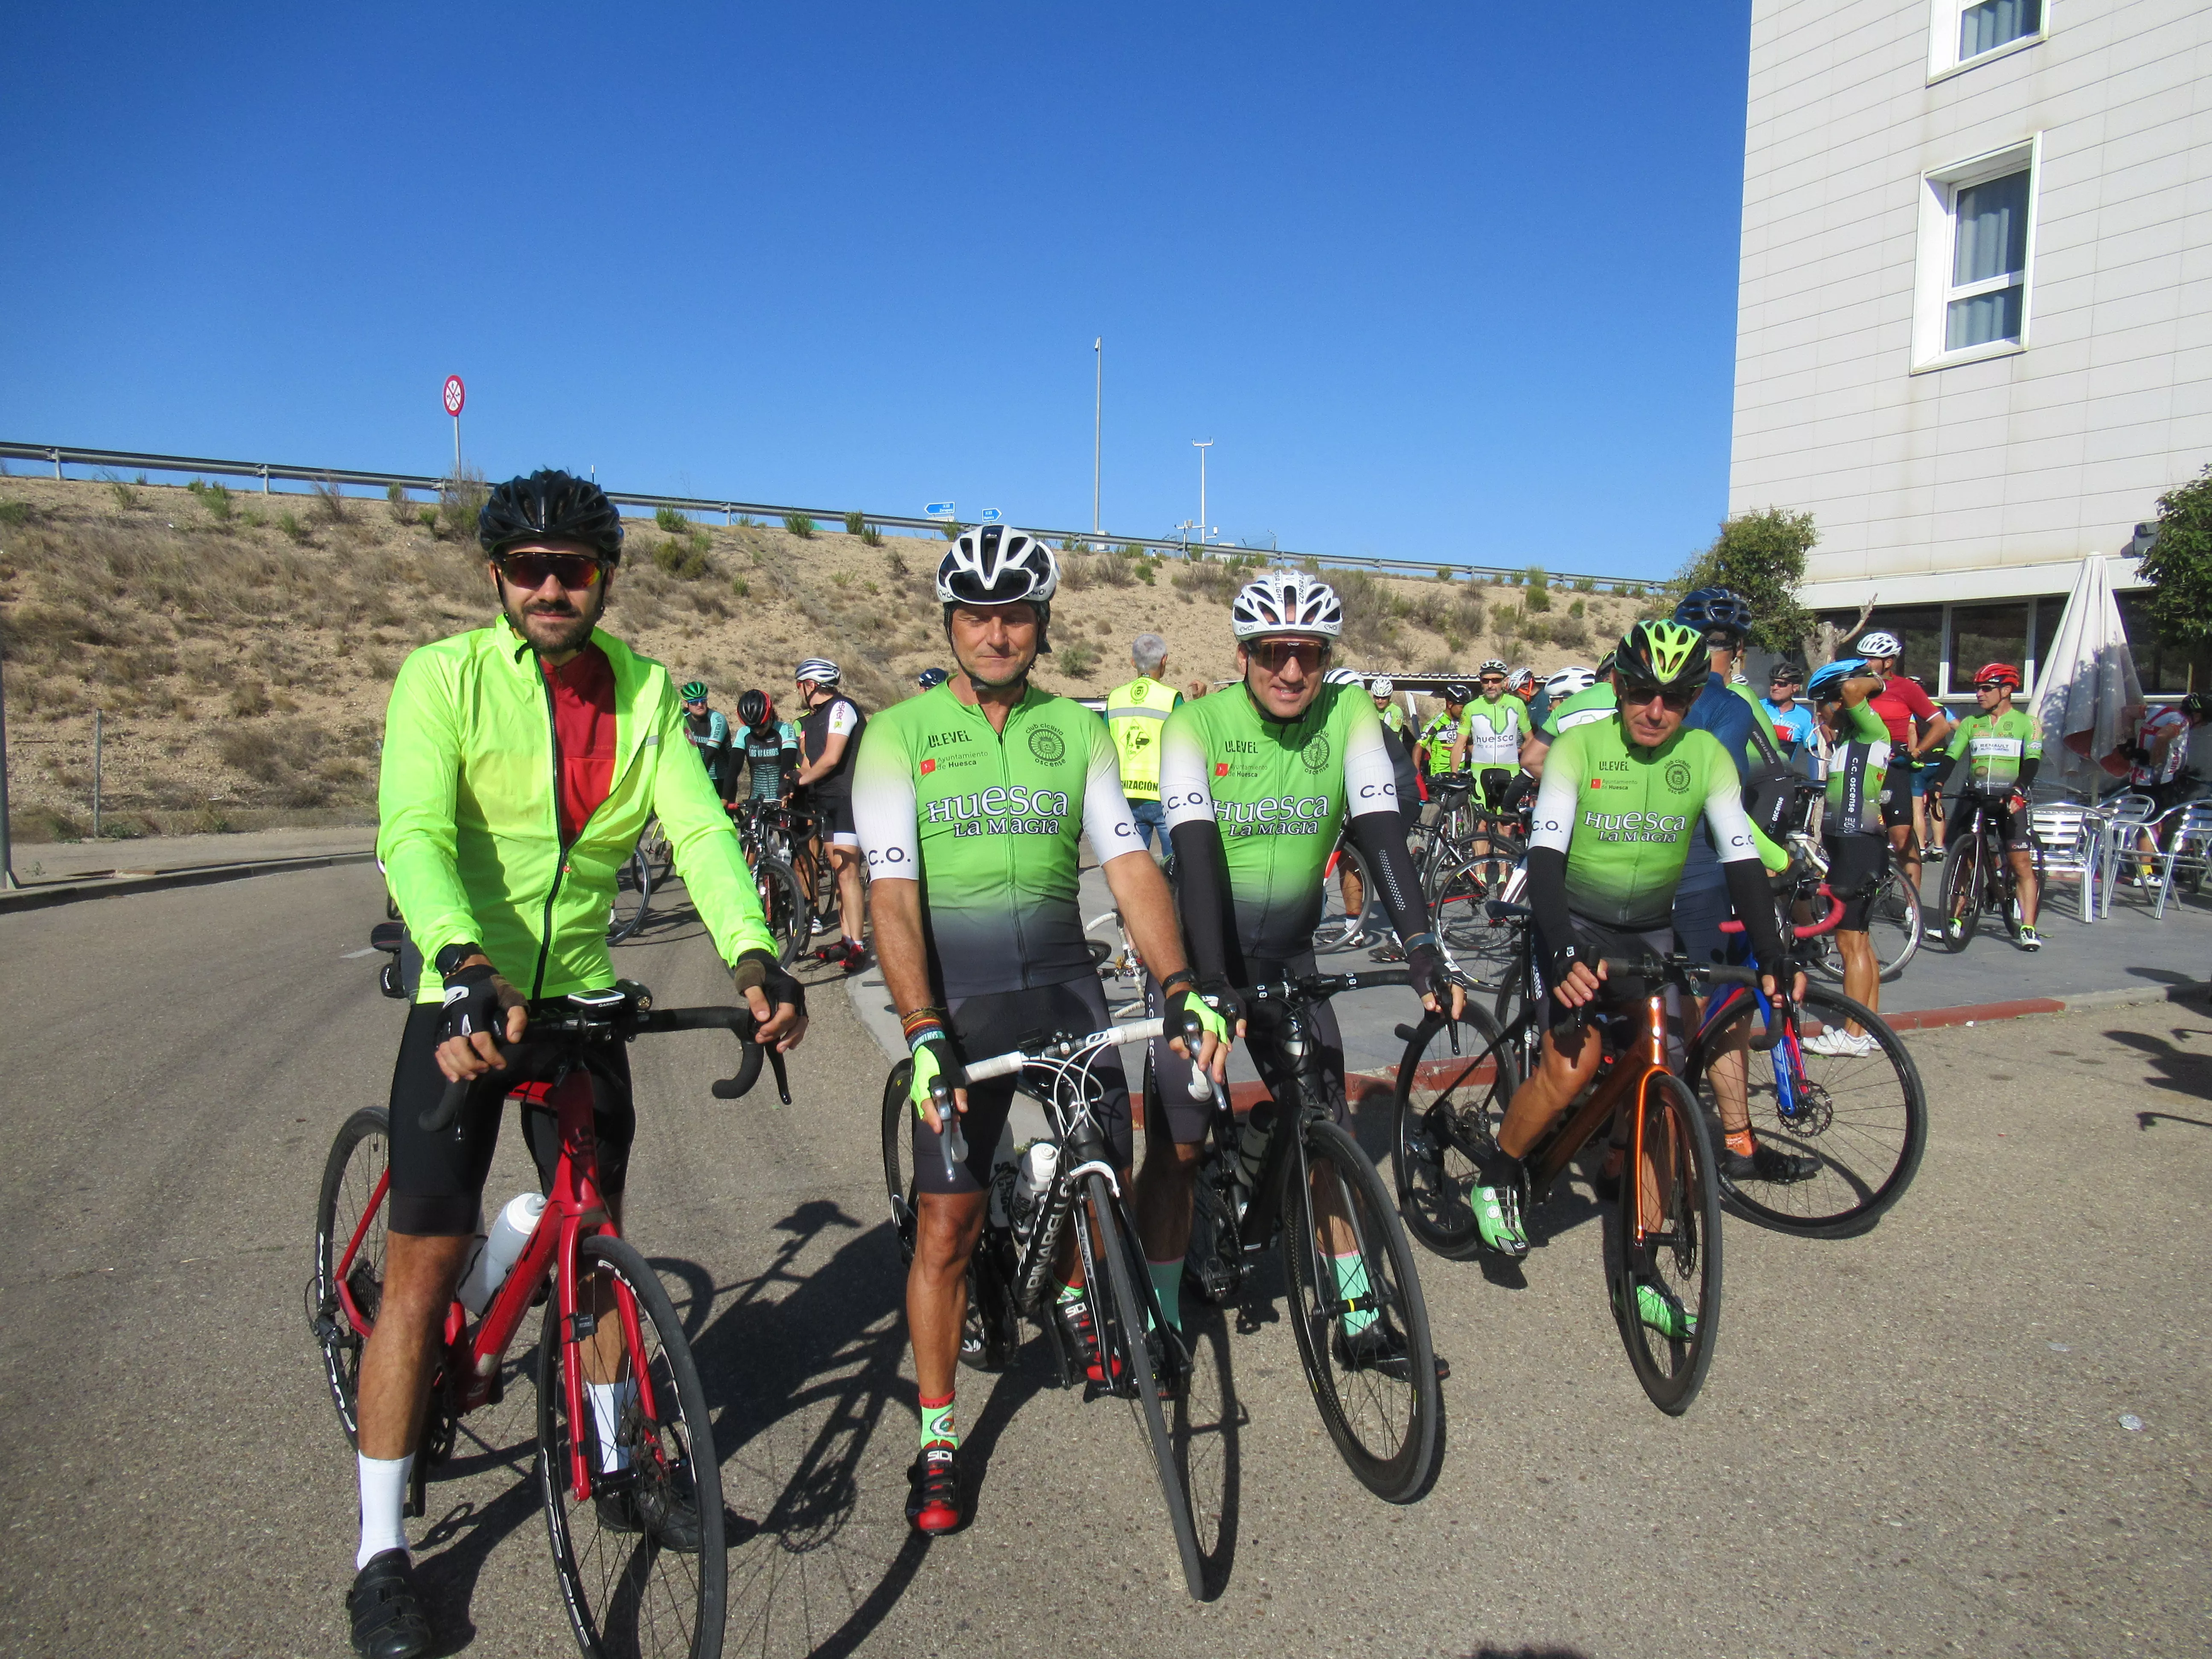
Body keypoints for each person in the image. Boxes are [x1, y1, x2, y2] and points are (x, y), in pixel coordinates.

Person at [351, 470, 805, 1659]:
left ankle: (617, 1465)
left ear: (605, 578)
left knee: (594, 1240)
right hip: (469, 993)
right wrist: (456, 957)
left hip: (579, 1003)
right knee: (423, 1265)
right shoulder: (442, 678)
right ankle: (382, 1550)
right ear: (497, 579)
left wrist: (755, 955)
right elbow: (413, 830)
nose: (552, 588)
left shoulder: (649, 692)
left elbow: (701, 832)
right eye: (529, 569)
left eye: (575, 569)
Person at [853, 527, 1224, 1537]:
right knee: (946, 1224)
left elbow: (1130, 866)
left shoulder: (1079, 728)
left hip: (1063, 987)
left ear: (1042, 625)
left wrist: (1180, 979)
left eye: (1015, 613)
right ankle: (936, 1436)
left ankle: (1073, 1292)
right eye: (976, 613)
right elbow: (891, 895)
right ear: (949, 622)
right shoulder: (898, 734)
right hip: (960, 1003)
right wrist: (921, 1025)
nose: (996, 630)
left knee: (1103, 1159)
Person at [1140, 570, 1464, 1373]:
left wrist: (1421, 945)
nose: (1290, 672)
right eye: (1273, 653)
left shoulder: (1348, 713)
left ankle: (1356, 1305)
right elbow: (1196, 855)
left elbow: (1382, 833)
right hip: (1199, 954)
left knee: (1327, 1126)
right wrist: (1210, 984)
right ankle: (1159, 1310)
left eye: (1308, 655)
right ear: (1244, 653)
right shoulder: (1197, 722)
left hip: (1289, 954)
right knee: (1178, 1149)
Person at [1467, 619, 1794, 1327]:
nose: (1654, 712)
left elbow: (1739, 858)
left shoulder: (1706, 755)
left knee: (1662, 1073)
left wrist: (1770, 951)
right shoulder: (1579, 746)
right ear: (1617, 686)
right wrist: (1558, 949)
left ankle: (1641, 1257)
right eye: (1642, 693)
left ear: (1693, 698)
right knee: (1571, 1064)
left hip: (1649, 927)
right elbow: (1546, 855)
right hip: (1574, 922)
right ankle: (1498, 1171)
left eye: (1673, 699)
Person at [1665, 587, 1807, 1187]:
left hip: (1683, 871)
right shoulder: (1725, 705)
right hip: (1695, 873)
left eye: (1718, 645)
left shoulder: (1636, 693)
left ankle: (1728, 1143)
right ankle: (1674, 1144)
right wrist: (1783, 859)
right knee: (1705, 1017)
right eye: (1711, 643)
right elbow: (1715, 794)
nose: (1714, 655)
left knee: (1710, 1013)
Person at [1801, 659, 1890, 1055]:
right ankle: (1868, 1028)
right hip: (1851, 843)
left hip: (1858, 844)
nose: (1819, 712)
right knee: (1862, 944)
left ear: (1838, 700)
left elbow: (1857, 690)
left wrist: (1868, 681)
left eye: (1822, 703)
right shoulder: (1851, 739)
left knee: (1849, 944)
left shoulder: (1871, 729)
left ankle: (1853, 1037)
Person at [1933, 662, 2043, 950]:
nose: (1979, 694)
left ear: (2006, 691)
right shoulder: (1972, 723)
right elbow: (1952, 755)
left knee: (2020, 864)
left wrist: (2019, 789)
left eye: (1986, 688)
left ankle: (2028, 926)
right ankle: (1955, 920)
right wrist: (1938, 785)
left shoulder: (2027, 723)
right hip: (1977, 797)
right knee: (1964, 861)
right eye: (1978, 688)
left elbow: (2032, 762)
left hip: (2011, 799)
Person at [1855, 631, 1952, 895]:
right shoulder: (1854, 686)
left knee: (1900, 838)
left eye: (1872, 659)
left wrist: (1917, 752)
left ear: (1888, 662)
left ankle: (1913, 899)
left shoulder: (1906, 688)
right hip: (1861, 768)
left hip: (1894, 768)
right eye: (1862, 657)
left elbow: (1940, 726)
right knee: (1859, 835)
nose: (1865, 663)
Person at [792, 658, 870, 972]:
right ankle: (845, 937)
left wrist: (803, 778)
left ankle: (858, 943)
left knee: (848, 873)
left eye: (799, 686)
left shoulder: (841, 708)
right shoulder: (809, 721)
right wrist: (794, 777)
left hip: (848, 798)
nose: (798, 692)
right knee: (838, 874)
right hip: (824, 801)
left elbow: (832, 758)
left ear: (810, 685)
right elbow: (811, 764)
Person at [1105, 632, 1183, 854]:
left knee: (1134, 870)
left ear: (1133, 662)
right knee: (1176, 869)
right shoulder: (1171, 698)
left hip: (1125, 796)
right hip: (1164, 797)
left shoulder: (1115, 698)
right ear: (1164, 660)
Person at [2124, 693, 2209, 879]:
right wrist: (2154, 761)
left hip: (2139, 778)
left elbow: (2127, 712)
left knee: (2155, 823)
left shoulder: (2159, 710)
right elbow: (2163, 736)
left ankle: (2151, 868)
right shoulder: (2182, 722)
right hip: (2157, 780)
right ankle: (2144, 873)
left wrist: (2130, 740)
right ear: (2198, 716)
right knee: (2154, 824)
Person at [1520, 653, 1617, 779]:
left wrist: (1570, 785)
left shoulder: (1565, 710)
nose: (1549, 707)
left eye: (1553, 700)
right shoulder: (1640, 707)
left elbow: (1530, 761)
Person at [1454, 660, 1529, 811]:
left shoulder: (1517, 704)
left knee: (1505, 822)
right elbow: (1460, 743)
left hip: (1510, 769)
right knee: (1482, 822)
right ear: (1481, 682)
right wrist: (1454, 773)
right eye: (1486, 680)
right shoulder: (1471, 708)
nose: (1490, 685)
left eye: (1496, 680)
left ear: (1504, 682)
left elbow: (1531, 740)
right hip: (1480, 769)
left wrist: (1521, 756)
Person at [734, 688, 798, 806]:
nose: (758, 731)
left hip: (783, 797)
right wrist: (725, 798)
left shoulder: (785, 729)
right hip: (756, 801)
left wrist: (783, 790)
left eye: (762, 725)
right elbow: (733, 768)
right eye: (753, 727)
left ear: (770, 716)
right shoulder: (744, 733)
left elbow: (788, 765)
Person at [679, 681, 736, 804]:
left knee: (723, 819)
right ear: (686, 703)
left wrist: (698, 782)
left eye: (703, 701)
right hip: (699, 776)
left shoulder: (718, 719)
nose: (700, 705)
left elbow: (710, 754)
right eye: (694, 702)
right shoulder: (682, 718)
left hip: (722, 779)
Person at [1415, 682, 1471, 795]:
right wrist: (1416, 775)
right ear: (1450, 704)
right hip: (1441, 774)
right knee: (1450, 807)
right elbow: (1418, 746)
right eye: (1462, 706)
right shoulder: (1437, 722)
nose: (1465, 710)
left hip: (1461, 772)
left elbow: (1470, 744)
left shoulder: (1464, 722)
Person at [1760, 663, 1816, 757]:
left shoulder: (1805, 717)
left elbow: (1812, 752)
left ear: (1795, 688)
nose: (1775, 688)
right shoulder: (1758, 706)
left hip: (1784, 770)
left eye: (1782, 684)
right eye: (1773, 683)